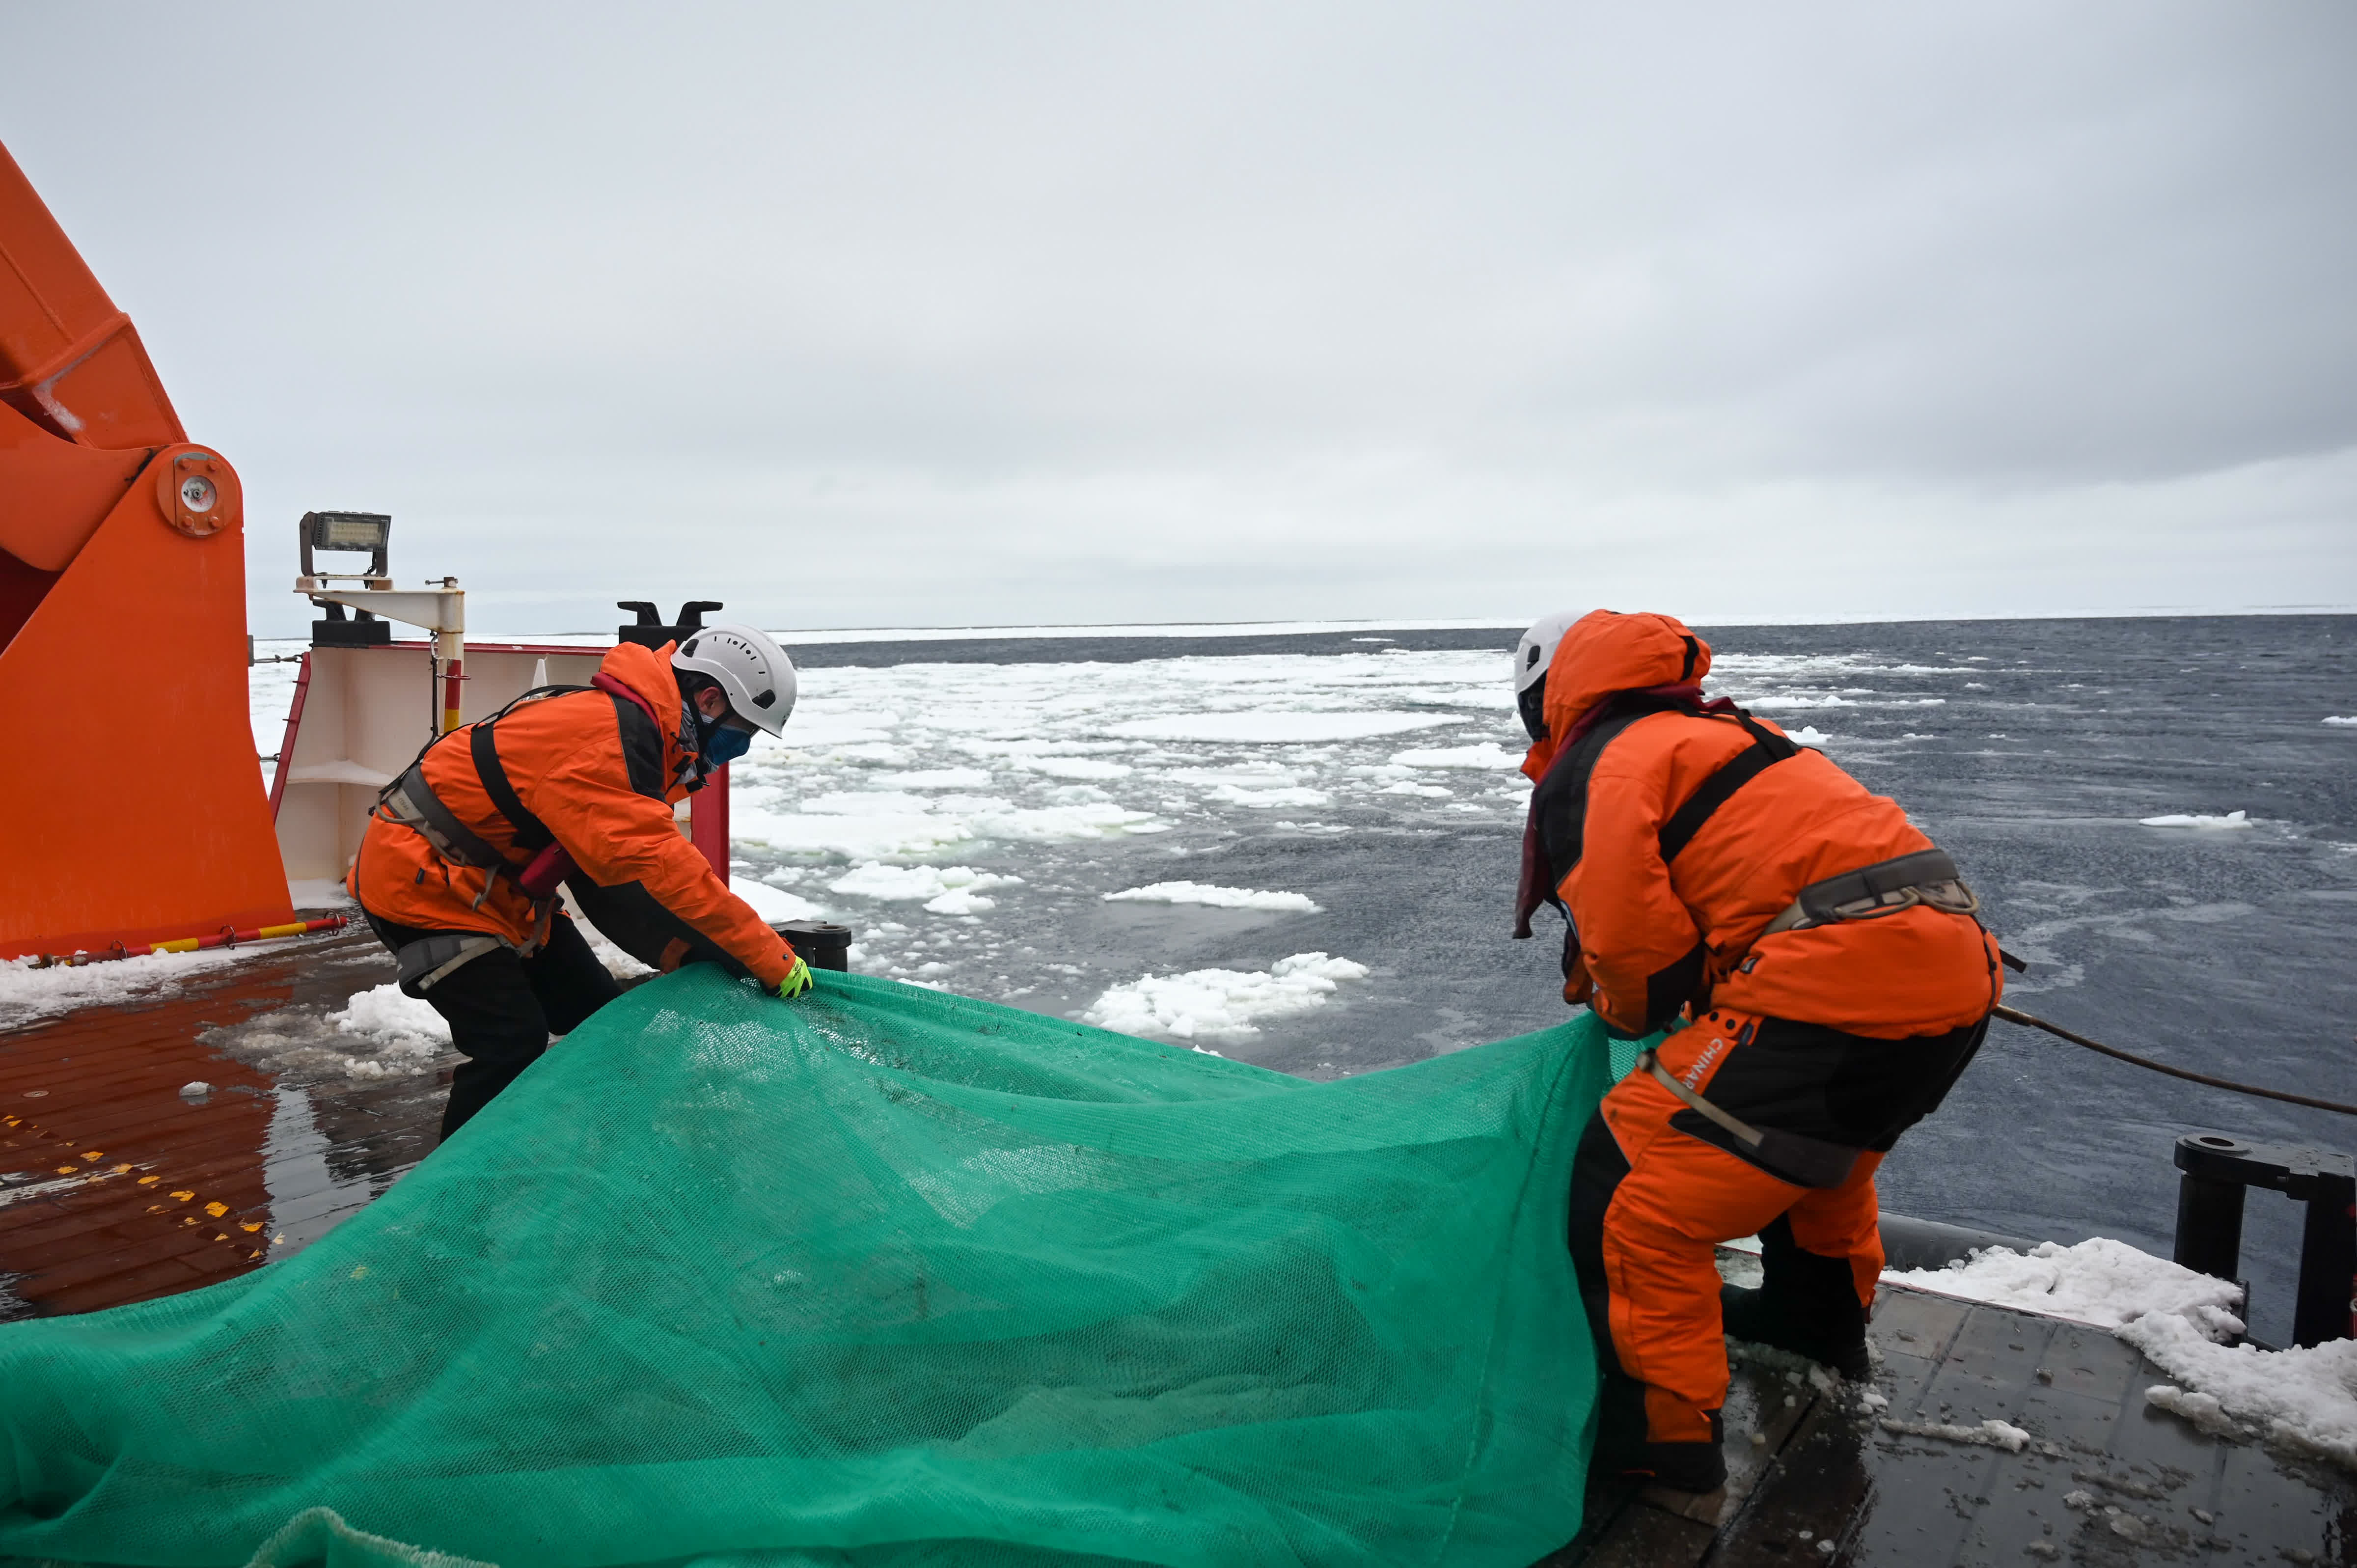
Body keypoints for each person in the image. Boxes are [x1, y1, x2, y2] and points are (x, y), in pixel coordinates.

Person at [1511, 609, 2003, 1493]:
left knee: (1630, 1191)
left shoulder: (1608, 763)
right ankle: (1813, 1325)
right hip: (1955, 977)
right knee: (1814, 1158)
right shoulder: (1733, 733)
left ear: (1549, 699)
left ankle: (1652, 1437)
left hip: (1830, 987)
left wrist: (1625, 1012)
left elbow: (1632, 952)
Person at [349, 623, 814, 1140]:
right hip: (425, 885)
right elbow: (665, 868)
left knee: (597, 1018)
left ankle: (598, 1151)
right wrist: (767, 955)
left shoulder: (648, 739)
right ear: (708, 699)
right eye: (743, 732)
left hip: (502, 892)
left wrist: (689, 952)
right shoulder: (607, 739)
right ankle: (455, 1199)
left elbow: (608, 880)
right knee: (510, 1040)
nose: (741, 748)